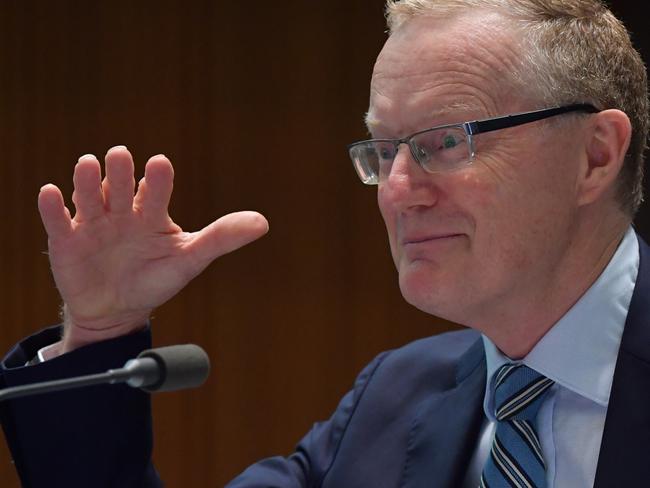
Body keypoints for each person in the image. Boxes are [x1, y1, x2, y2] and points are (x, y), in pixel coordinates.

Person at [1, 0, 648, 486]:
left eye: (446, 142)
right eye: (385, 150)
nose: (397, 190)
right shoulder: (394, 399)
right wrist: (100, 329)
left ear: (594, 156)